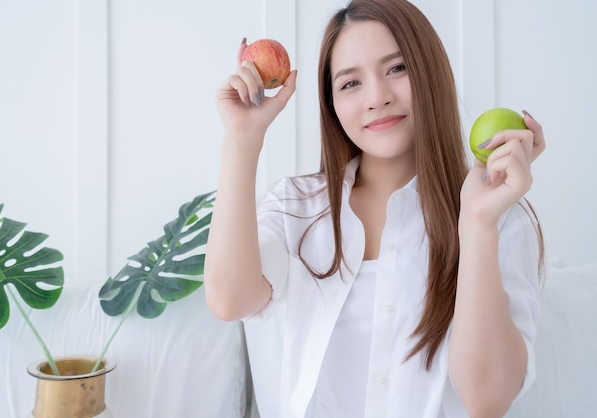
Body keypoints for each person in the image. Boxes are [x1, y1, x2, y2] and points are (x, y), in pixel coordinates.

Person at [204, 0, 546, 416]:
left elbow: (487, 399)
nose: (377, 97)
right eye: (350, 83)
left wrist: (476, 224)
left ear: (430, 73)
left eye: (397, 69)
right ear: (332, 103)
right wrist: (242, 137)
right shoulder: (297, 208)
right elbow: (230, 300)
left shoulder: (498, 216)